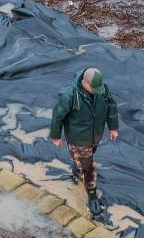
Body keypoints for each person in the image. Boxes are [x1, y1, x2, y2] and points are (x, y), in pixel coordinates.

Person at [49, 67, 118, 217]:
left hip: (95, 135)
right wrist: (56, 135)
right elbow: (58, 115)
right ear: (84, 82)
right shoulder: (70, 94)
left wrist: (113, 127)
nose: (98, 91)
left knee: (87, 157)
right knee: (88, 167)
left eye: (99, 88)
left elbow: (111, 106)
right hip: (78, 138)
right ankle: (92, 196)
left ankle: (77, 168)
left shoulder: (101, 89)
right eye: (94, 88)